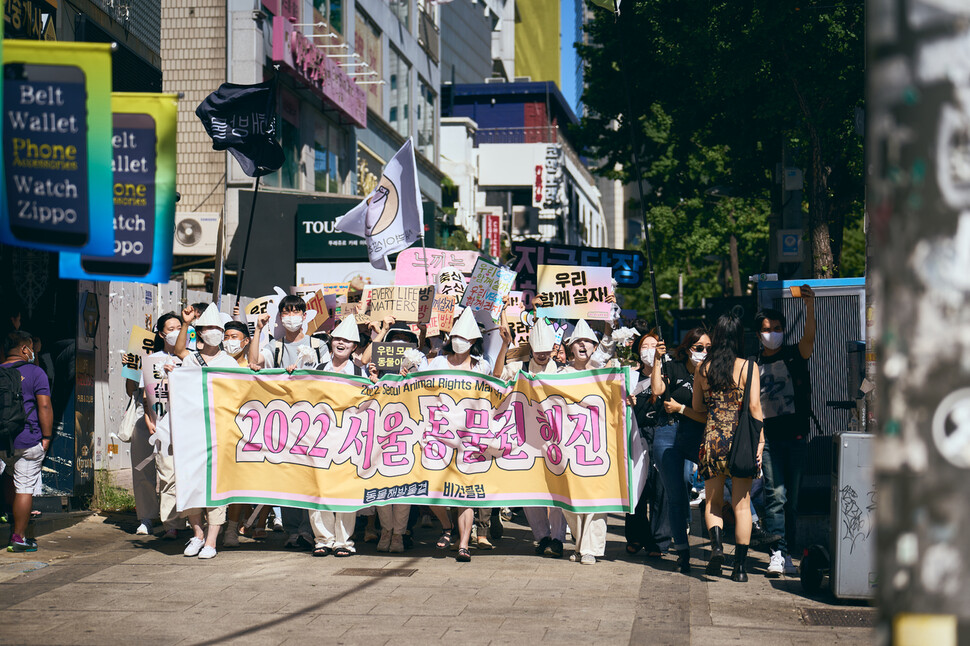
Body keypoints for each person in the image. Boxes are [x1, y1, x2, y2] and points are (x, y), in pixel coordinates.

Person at [248, 294, 329, 550]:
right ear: (280, 317)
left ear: (305, 316)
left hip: (314, 422)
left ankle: (309, 530)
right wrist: (259, 330)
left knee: (311, 476)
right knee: (289, 475)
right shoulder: (275, 346)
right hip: (285, 422)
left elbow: (329, 379)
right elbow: (254, 363)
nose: (292, 317)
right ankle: (294, 531)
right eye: (287, 313)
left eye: (296, 312)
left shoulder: (319, 345)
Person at [692, 314, 765, 581]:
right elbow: (755, 407)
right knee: (742, 505)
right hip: (741, 443)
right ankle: (741, 569)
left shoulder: (703, 369)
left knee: (713, 502)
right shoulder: (749, 367)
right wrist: (761, 439)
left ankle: (717, 547)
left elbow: (698, 407)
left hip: (712, 442)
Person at [493, 317, 566, 558]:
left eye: (547, 352)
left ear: (553, 349)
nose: (543, 356)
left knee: (557, 489)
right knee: (530, 488)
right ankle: (541, 536)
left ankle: (557, 538)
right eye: (539, 352)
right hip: (524, 436)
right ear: (532, 349)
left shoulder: (562, 371)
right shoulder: (519, 368)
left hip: (555, 436)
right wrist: (505, 346)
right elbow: (496, 377)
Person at [756, 285, 815, 578]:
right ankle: (776, 552)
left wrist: (809, 308)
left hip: (796, 436)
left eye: (777, 328)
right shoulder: (753, 364)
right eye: (767, 329)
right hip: (768, 440)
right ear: (758, 334)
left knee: (791, 499)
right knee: (774, 496)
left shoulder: (794, 354)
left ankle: (789, 551)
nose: (772, 333)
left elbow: (809, 339)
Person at [426, 308, 493, 562]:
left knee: (465, 490)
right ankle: (447, 525)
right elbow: (419, 386)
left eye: (464, 338)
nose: (458, 341)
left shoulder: (481, 366)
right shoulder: (438, 363)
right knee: (430, 485)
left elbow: (492, 391)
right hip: (439, 432)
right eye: (455, 336)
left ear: (474, 341)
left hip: (470, 435)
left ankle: (464, 544)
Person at [173, 304, 238, 559]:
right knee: (190, 482)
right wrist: (185, 323)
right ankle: (197, 534)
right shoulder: (190, 359)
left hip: (219, 430)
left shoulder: (229, 362)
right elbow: (179, 351)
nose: (213, 332)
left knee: (216, 486)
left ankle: (212, 540)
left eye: (217, 328)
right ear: (199, 332)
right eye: (208, 328)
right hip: (191, 430)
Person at [309, 315, 375, 557]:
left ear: (354, 346)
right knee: (319, 489)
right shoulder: (316, 368)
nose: (341, 344)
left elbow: (371, 402)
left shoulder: (361, 370)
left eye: (346, 341)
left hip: (350, 438)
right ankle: (322, 539)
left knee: (346, 489)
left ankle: (344, 542)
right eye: (337, 339)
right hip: (319, 439)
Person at [651, 328, 710, 573]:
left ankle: (717, 541)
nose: (704, 353)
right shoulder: (673, 367)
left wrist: (682, 408)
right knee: (676, 495)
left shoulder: (711, 373)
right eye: (699, 348)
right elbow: (656, 390)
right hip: (669, 432)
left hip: (698, 434)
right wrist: (657, 359)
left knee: (709, 487)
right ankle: (683, 551)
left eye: (709, 348)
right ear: (687, 349)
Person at [559, 318, 615, 565]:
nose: (583, 345)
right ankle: (580, 545)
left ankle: (591, 548)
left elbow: (606, 350)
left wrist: (609, 326)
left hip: (597, 444)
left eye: (588, 342)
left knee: (595, 497)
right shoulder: (561, 374)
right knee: (570, 500)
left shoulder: (602, 371)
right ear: (570, 347)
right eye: (578, 341)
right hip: (567, 445)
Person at [1, 331, 52, 552]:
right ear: (24, 349)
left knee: (9, 474)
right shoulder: (35, 372)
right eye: (31, 348)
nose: (33, 352)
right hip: (27, 437)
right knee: (24, 487)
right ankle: (19, 537)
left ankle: (10, 516)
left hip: (3, 439)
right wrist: (47, 436)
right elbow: (44, 406)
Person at [625, 330, 671, 558]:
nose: (649, 350)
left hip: (662, 433)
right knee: (636, 487)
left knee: (661, 488)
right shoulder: (630, 377)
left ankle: (660, 540)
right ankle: (636, 536)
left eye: (654, 346)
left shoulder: (669, 375)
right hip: (637, 434)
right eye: (645, 345)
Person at [143, 312, 184, 540]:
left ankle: (192, 518)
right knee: (167, 475)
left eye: (180, 327)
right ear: (161, 333)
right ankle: (171, 523)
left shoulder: (190, 357)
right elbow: (145, 393)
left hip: (187, 427)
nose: (176, 331)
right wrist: (150, 419)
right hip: (163, 427)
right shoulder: (151, 360)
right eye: (171, 328)